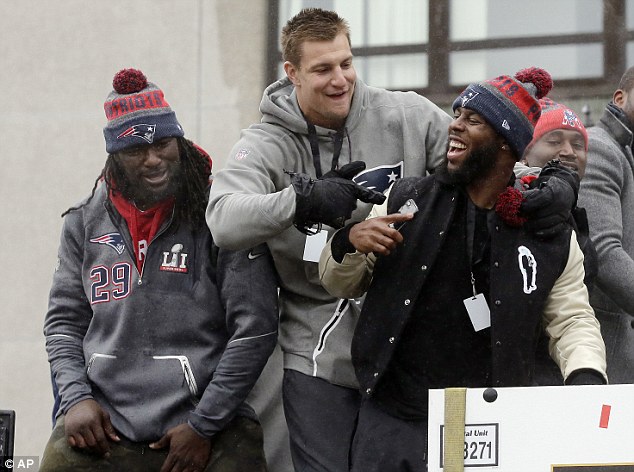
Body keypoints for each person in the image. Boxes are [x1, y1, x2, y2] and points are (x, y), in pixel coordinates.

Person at [207, 8, 580, 471]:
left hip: (404, 350)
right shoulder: (263, 144)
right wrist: (300, 202)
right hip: (320, 353)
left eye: (346, 63)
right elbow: (222, 220)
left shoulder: (406, 114)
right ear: (292, 73)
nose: (340, 79)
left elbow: (485, 156)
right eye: (322, 69)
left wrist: (548, 185)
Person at [319, 67, 607, 472]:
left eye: (473, 121)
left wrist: (586, 378)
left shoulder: (547, 228)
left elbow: (572, 318)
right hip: (392, 414)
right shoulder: (405, 199)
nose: (454, 126)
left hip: (482, 419)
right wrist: (348, 243)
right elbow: (340, 283)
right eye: (456, 115)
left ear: (506, 143)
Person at [41, 68, 279, 472]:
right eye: (135, 150)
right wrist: (76, 399)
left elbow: (255, 329)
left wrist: (204, 425)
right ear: (114, 157)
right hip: (105, 420)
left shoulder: (219, 215)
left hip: (208, 420)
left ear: (179, 142)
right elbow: (63, 323)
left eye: (163, 143)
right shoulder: (82, 221)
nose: (153, 159)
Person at [520, 97, 597, 385]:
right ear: (525, 151)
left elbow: (571, 314)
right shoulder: (508, 205)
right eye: (554, 140)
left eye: (578, 144)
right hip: (508, 389)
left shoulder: (572, 211)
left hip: (559, 377)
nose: (568, 151)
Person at [577, 65, 634, 384]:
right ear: (619, 97)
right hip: (604, 348)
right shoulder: (600, 147)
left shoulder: (625, 152)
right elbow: (604, 253)